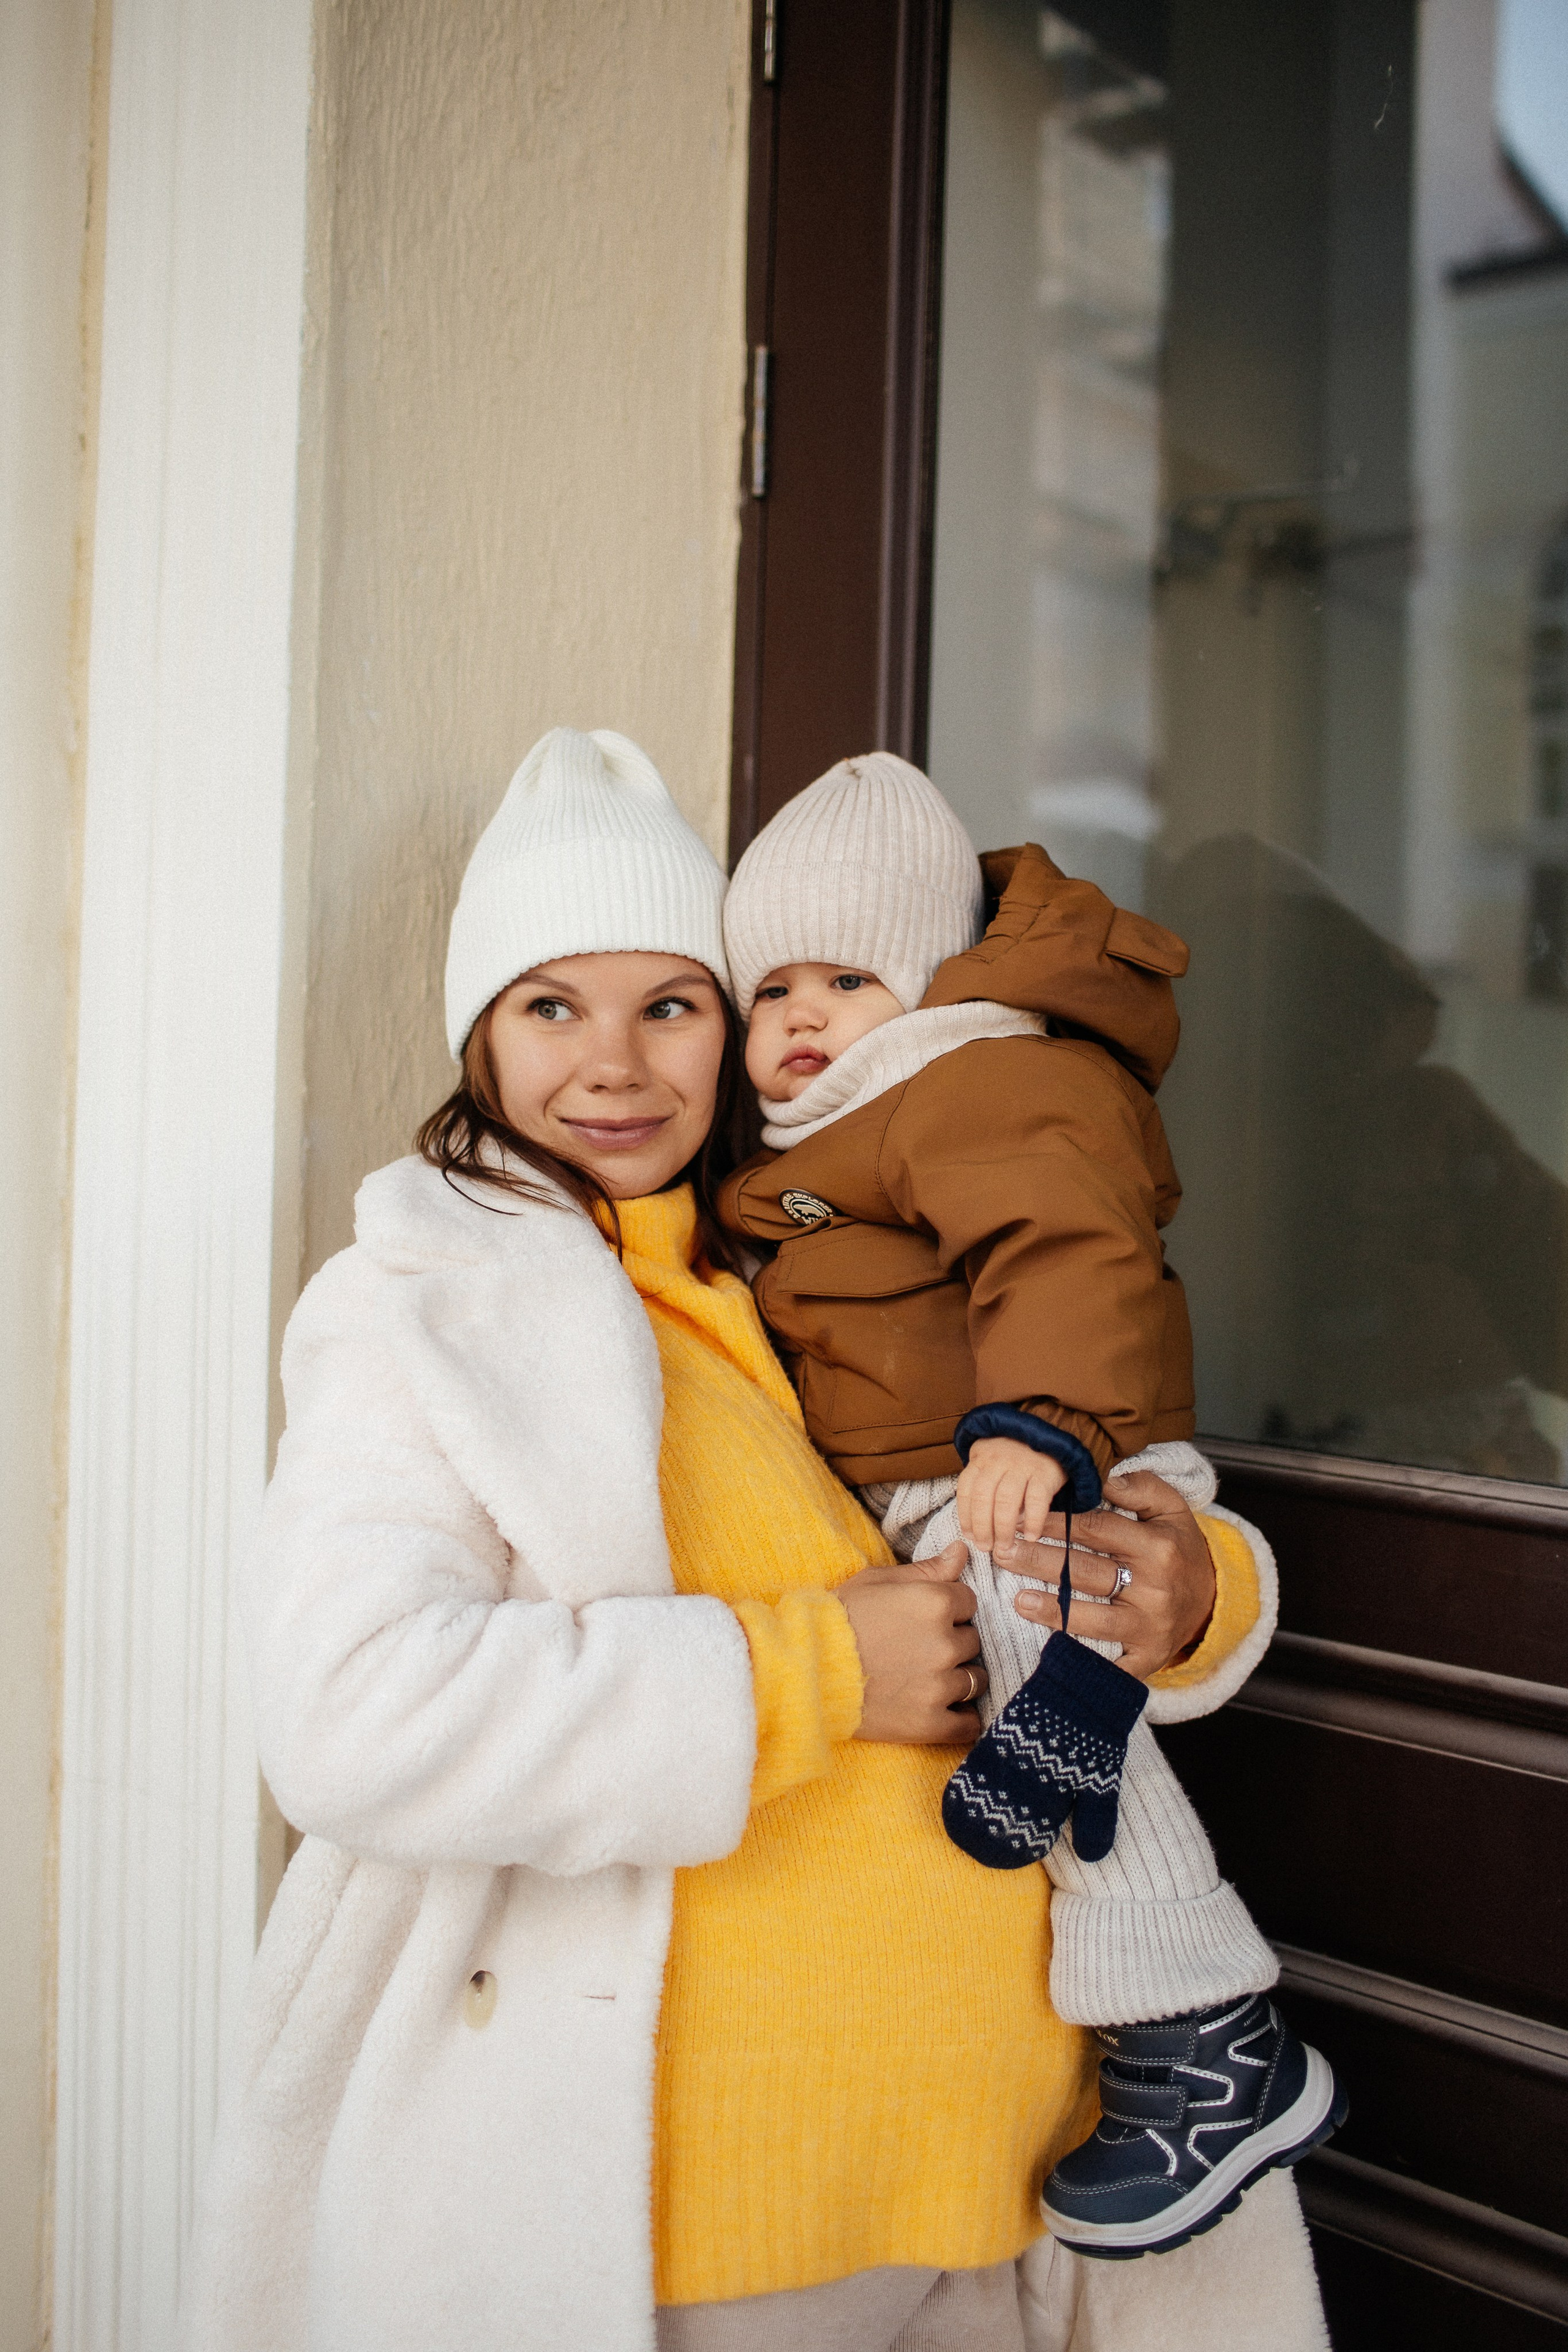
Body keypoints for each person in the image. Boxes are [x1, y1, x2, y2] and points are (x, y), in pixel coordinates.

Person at [180, 728, 1325, 2352]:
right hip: (720, 2210)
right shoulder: (422, 1313)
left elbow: (1030, 1519)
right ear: (479, 1039)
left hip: (1008, 2164)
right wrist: (812, 1668)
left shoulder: (813, 1272)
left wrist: (1195, 1592)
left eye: (670, 1002)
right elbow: (352, 1716)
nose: (618, 1063)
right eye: (550, 1004)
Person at [717, 754, 1343, 2259]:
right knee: (1029, 1681)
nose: (801, 1018)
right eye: (768, 989)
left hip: (1045, 1464)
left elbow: (1069, 1252)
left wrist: (1039, 1428)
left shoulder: (982, 1079)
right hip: (967, 1483)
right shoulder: (827, 1142)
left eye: (847, 978)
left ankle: (1205, 2029)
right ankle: (1068, 1760)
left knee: (1031, 1647)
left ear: (933, 980)